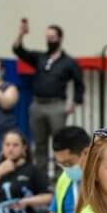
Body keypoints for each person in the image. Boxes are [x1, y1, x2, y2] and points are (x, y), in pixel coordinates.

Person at [12, 19, 85, 172]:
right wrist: (21, 34)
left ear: (60, 38)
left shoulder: (69, 62)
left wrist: (74, 102)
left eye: (52, 37)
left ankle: (61, 175)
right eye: (47, 37)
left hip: (56, 105)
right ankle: (41, 177)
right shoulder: (40, 58)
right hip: (37, 104)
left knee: (60, 142)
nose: (49, 40)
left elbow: (79, 83)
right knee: (39, 144)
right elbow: (18, 50)